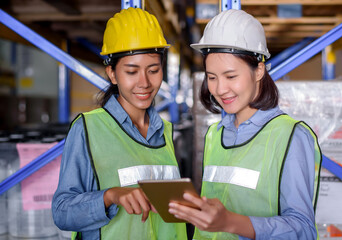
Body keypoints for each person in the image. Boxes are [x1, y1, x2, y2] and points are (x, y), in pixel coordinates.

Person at [168, 9, 322, 240]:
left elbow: (303, 230)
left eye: (231, 76)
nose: (220, 89)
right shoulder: (214, 134)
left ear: (259, 70)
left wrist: (231, 222)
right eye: (212, 77)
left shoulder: (290, 135)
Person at [52, 7, 187, 240]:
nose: (144, 82)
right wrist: (109, 197)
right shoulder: (88, 129)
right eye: (131, 71)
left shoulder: (165, 130)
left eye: (153, 70)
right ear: (112, 74)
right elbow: (62, 212)